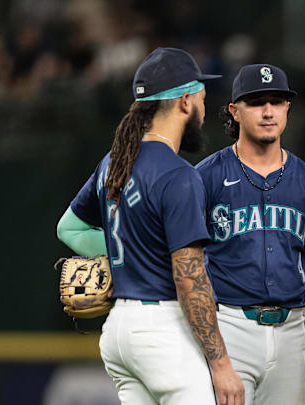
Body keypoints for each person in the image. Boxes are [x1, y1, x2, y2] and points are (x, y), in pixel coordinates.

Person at [56, 47, 244, 405]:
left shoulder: (113, 163)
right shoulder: (179, 175)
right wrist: (221, 365)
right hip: (162, 331)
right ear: (185, 101)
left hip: (119, 334)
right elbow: (189, 277)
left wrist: (120, 257)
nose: (204, 110)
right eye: (202, 98)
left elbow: (69, 228)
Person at [195, 64, 305, 405]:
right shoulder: (205, 178)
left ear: (288, 108)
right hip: (228, 325)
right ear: (235, 110)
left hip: (290, 330)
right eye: (256, 102)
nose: (268, 111)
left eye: (276, 101)